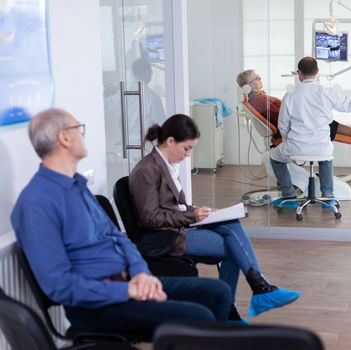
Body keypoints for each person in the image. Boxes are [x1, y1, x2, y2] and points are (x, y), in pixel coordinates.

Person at [10, 108, 231, 340]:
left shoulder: (77, 186)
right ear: (64, 138)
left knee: (218, 292)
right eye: (79, 129)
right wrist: (127, 290)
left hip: (129, 282)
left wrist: (141, 273)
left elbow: (116, 237)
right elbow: (60, 286)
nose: (83, 135)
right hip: (97, 307)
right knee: (199, 317)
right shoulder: (36, 203)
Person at [128, 114, 302, 322]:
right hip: (166, 236)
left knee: (230, 223)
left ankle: (252, 295)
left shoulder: (166, 165)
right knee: (234, 248)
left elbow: (174, 206)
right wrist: (191, 215)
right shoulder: (146, 170)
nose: (188, 155)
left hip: (180, 225)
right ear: (171, 141)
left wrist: (200, 211)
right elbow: (150, 219)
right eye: (186, 148)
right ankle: (246, 299)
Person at [269, 57, 351, 209]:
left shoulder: (290, 95)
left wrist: (288, 140)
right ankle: (328, 198)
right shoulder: (327, 92)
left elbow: (283, 124)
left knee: (274, 157)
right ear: (318, 72)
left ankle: (289, 197)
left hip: (296, 147)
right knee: (325, 158)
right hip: (321, 146)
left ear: (299, 73)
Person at [236, 69, 351, 143]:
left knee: (321, 119)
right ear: (249, 85)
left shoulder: (259, 97)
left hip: (292, 125)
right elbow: (280, 117)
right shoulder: (259, 100)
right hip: (291, 130)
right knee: (322, 121)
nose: (260, 79)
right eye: (257, 78)